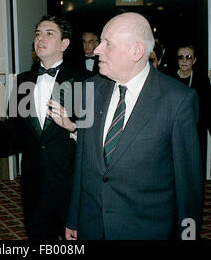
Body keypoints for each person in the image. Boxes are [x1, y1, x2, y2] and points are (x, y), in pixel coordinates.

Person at [65, 12, 203, 240]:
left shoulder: (178, 100)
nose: (97, 49)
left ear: (137, 52)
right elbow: (83, 162)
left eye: (107, 43)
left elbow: (188, 187)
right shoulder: (90, 89)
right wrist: (74, 217)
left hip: (146, 230)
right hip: (92, 226)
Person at [0, 15, 91, 240]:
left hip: (71, 184)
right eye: (38, 33)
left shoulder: (85, 80)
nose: (40, 38)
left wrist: (72, 126)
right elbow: (15, 134)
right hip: (34, 183)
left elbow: (93, 137)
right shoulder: (23, 82)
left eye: (49, 33)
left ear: (64, 44)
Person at [172, 45, 211, 164]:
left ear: (194, 61)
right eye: (181, 57)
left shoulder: (201, 80)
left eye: (188, 57)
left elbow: (210, 110)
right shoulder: (170, 78)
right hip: (173, 132)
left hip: (194, 132)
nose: (184, 60)